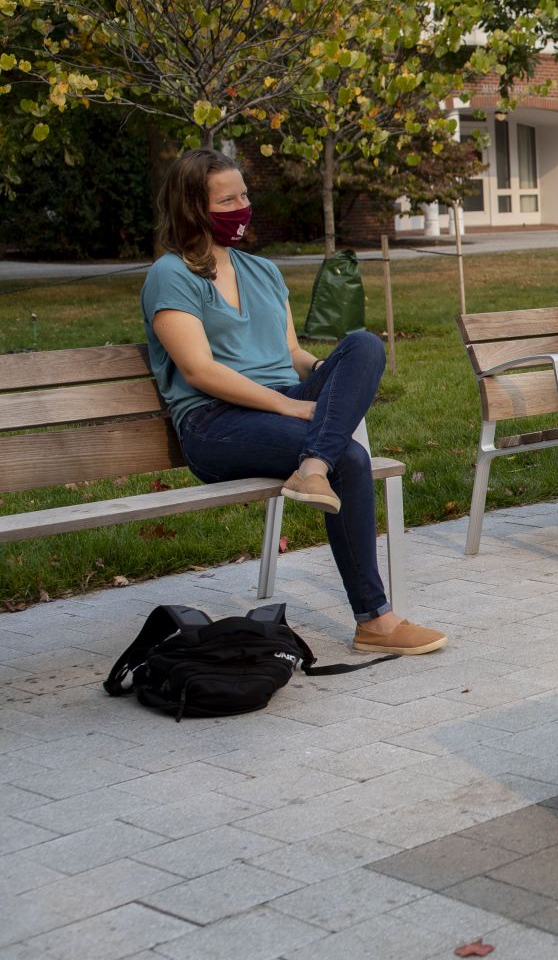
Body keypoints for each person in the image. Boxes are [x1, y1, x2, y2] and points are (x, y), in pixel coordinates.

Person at [141, 149, 446, 655]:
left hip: (283, 401)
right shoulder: (171, 276)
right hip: (215, 422)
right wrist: (290, 408)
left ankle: (312, 464)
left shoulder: (262, 272)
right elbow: (199, 370)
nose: (244, 207)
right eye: (229, 199)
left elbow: (291, 354)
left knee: (365, 345)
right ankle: (376, 621)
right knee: (349, 457)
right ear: (194, 208)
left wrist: (327, 374)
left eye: (245, 195)